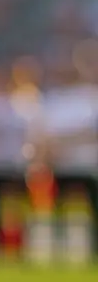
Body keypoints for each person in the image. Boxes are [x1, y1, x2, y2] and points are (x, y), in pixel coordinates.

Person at [0, 58, 43, 259]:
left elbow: (36, 135)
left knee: (20, 208)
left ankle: (21, 246)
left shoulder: (29, 103)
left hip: (18, 163)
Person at [40, 41, 98, 262]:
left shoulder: (91, 96)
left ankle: (93, 250)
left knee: (93, 209)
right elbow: (47, 134)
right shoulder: (55, 99)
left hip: (88, 164)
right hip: (63, 164)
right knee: (58, 210)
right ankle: (59, 249)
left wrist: (67, 139)